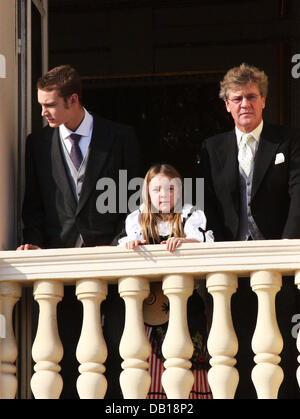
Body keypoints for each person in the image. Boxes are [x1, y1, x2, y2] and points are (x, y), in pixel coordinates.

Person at [17, 64, 144, 398]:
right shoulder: (37, 144)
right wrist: (33, 242)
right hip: (61, 269)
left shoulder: (119, 136)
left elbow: (133, 201)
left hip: (113, 265)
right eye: (41, 104)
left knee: (118, 354)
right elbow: (34, 206)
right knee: (66, 356)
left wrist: (119, 244)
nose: (42, 112)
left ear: (73, 100)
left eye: (50, 104)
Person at [199, 63, 300, 398]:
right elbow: (208, 206)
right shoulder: (212, 148)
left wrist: (284, 254)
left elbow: (298, 196)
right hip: (229, 269)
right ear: (227, 104)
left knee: (280, 350)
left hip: (277, 269)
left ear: (264, 100)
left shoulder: (288, 140)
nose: (245, 104)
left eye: (252, 97)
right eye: (237, 98)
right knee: (233, 353)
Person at [118, 163, 214, 399]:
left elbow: (206, 241)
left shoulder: (190, 214)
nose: (164, 195)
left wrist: (184, 242)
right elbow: (125, 242)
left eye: (170, 189)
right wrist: (132, 245)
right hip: (150, 311)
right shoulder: (138, 219)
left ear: (179, 191)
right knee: (151, 376)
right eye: (157, 189)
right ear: (147, 192)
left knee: (185, 375)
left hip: (186, 308)